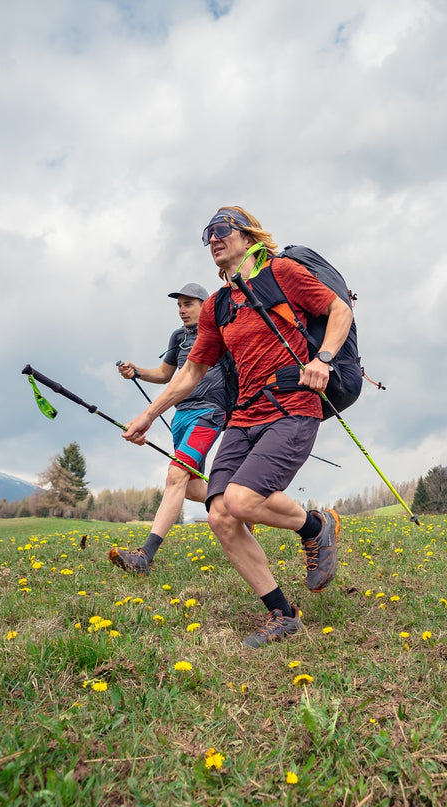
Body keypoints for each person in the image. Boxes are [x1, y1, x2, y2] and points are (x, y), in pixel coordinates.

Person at [121, 207, 353, 647]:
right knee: (221, 514)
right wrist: (149, 415)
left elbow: (338, 310)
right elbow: (191, 372)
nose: (212, 239)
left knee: (243, 500)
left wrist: (322, 359)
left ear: (247, 237)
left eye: (221, 230)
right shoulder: (217, 306)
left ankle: (315, 526)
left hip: (292, 405)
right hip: (244, 414)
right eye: (206, 234)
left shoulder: (282, 272)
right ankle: (282, 614)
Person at [109, 283, 231, 575]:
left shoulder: (220, 331)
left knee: (176, 474)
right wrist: (136, 370)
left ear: (205, 304)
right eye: (179, 305)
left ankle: (145, 556)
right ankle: (236, 506)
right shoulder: (178, 337)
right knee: (189, 485)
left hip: (210, 413)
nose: (181, 310)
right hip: (181, 415)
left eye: (188, 304)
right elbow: (165, 375)